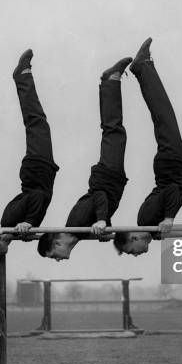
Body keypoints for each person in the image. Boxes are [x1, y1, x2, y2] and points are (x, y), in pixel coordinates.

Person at [37, 57, 132, 261]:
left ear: (58, 243)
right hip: (112, 179)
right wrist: (104, 227)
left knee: (113, 130)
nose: (59, 259)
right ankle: (109, 82)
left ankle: (110, 81)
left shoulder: (75, 225)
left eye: (54, 255)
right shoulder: (79, 233)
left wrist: (101, 220)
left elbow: (98, 196)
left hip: (108, 176)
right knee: (113, 130)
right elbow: (101, 206)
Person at [0, 50, 59, 255]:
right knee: (37, 122)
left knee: (36, 121)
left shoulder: (8, 221)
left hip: (37, 169)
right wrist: (28, 227)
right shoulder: (15, 231)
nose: (1, 252)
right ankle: (23, 76)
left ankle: (22, 76)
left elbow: (36, 197)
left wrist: (28, 222)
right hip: (42, 171)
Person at [114, 38, 182, 256]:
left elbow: (171, 190)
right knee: (163, 113)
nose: (136, 254)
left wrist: (169, 217)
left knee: (163, 112)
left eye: (131, 250)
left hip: (172, 163)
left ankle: (143, 67)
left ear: (133, 237)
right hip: (174, 164)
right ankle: (143, 67)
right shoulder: (154, 231)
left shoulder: (146, 220)